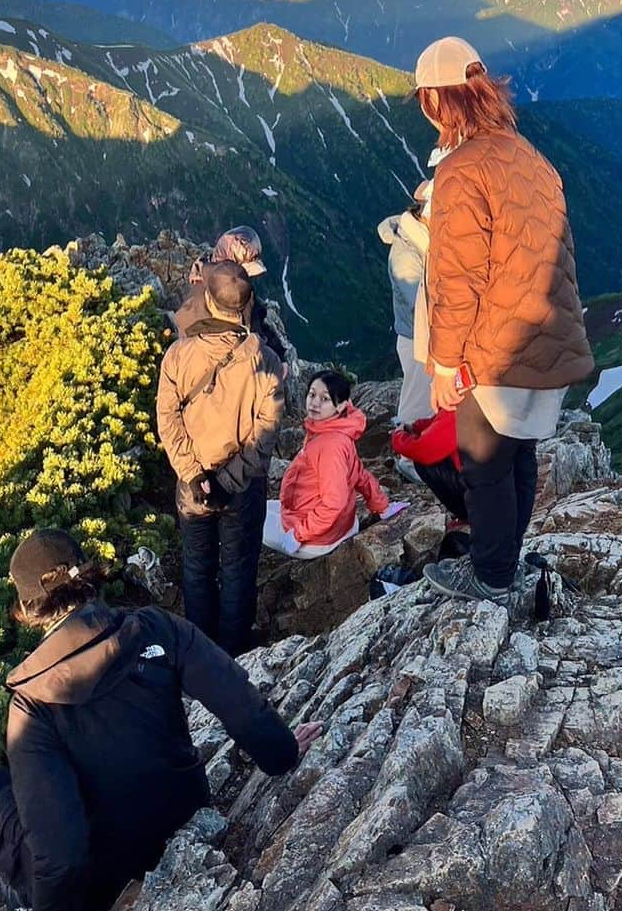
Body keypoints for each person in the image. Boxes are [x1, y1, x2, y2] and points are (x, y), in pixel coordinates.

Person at [0, 528, 322, 911]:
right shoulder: (156, 627)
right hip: (183, 809)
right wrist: (284, 753)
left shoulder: (32, 703)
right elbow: (239, 703)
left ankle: (10, 892)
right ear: (87, 575)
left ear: (27, 608)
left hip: (109, 871)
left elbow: (63, 856)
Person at [411, 36, 594, 604]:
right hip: (550, 336)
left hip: (500, 343)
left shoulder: (462, 171)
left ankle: (490, 576)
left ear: (441, 102)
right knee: (519, 451)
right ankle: (505, 562)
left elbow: (456, 277)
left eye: (425, 101)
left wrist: (444, 362)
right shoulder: (530, 157)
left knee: (482, 458)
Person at [156, 260, 284, 653]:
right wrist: (229, 481)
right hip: (242, 487)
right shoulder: (266, 361)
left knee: (197, 569)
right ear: (244, 307)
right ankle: (237, 655)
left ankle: (199, 652)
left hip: (192, 486)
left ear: (209, 302)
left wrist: (194, 475)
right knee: (238, 571)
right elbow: (266, 431)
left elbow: (167, 418)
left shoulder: (179, 356)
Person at [263, 370, 407, 559]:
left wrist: (299, 534)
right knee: (260, 506)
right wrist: (382, 507)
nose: (315, 403)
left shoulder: (329, 445)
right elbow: (360, 474)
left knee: (244, 515)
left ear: (340, 406)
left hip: (317, 540)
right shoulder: (338, 432)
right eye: (312, 394)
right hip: (341, 524)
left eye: (325, 399)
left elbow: (334, 502)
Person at [172, 225, 287, 365]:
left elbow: (256, 318)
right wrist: (277, 358)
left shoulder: (210, 286)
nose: (247, 279)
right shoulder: (218, 300)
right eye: (244, 273)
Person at [377, 187, 433, 430]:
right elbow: (419, 304)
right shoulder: (406, 256)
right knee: (418, 404)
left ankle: (420, 456)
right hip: (418, 339)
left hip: (426, 337)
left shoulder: (420, 241)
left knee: (427, 403)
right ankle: (408, 458)